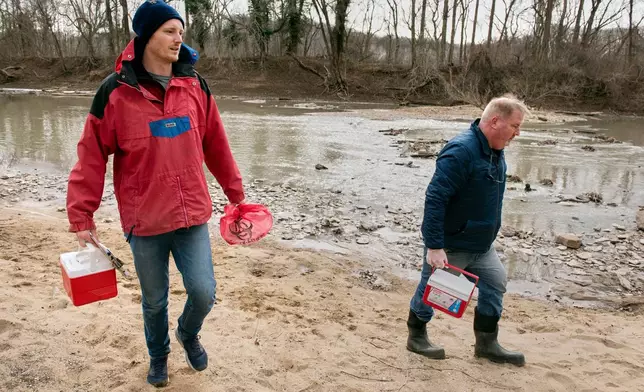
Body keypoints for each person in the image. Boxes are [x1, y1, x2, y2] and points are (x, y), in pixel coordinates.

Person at [65, 0, 245, 387]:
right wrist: (82, 217)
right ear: (146, 36)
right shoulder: (114, 93)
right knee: (154, 301)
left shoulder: (195, 85)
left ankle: (187, 332)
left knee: (203, 291)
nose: (178, 37)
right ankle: (159, 356)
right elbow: (90, 157)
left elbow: (216, 143)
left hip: (191, 213)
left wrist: (236, 194)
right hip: (144, 219)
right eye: (169, 30)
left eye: (181, 31)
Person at [406, 94, 528, 367]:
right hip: (451, 243)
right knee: (432, 293)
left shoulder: (496, 149)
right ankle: (416, 335)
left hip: (482, 244)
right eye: (515, 126)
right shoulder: (461, 151)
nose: (518, 133)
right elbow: (435, 198)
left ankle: (487, 344)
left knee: (496, 282)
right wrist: (435, 246)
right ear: (496, 121)